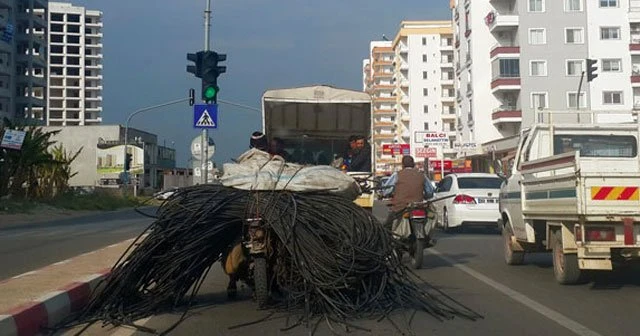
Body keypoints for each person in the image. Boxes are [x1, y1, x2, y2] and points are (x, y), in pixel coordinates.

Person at [382, 155, 435, 229]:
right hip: (418, 206)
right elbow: (430, 192)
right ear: (413, 164)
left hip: (400, 207)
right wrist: (425, 196)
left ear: (402, 165)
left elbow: (386, 190)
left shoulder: (397, 175)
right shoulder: (422, 175)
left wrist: (386, 194)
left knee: (387, 226)